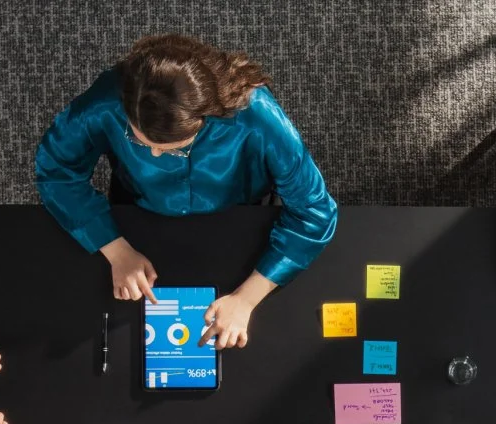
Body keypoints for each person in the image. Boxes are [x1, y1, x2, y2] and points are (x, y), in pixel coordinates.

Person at [36, 34, 338, 351]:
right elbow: (56, 171)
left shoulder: (257, 116)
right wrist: (116, 250)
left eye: (170, 150)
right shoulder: (104, 103)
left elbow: (315, 211)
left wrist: (246, 300)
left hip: (242, 209)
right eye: (139, 142)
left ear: (205, 118)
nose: (151, 158)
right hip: (138, 207)